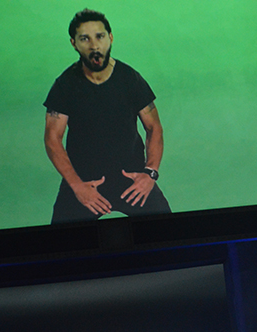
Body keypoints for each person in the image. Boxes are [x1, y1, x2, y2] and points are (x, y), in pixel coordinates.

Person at [44, 9, 171, 224]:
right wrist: (76, 185)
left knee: (172, 235)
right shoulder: (64, 85)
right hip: (85, 182)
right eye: (85, 38)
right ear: (74, 43)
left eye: (100, 36)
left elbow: (154, 127)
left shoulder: (130, 79)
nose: (94, 45)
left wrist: (150, 174)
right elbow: (52, 138)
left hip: (132, 181)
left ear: (110, 38)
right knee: (58, 248)